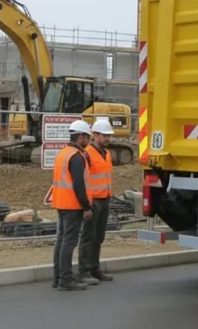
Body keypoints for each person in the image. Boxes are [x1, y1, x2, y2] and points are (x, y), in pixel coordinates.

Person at [52, 119, 93, 291]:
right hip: (72, 205)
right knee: (69, 243)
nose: (88, 141)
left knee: (61, 241)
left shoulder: (63, 153)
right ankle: (66, 280)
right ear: (81, 137)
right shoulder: (76, 157)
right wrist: (86, 207)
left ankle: (59, 277)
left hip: (61, 203)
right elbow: (78, 184)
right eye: (88, 137)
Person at [77, 119, 115, 285]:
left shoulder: (106, 154)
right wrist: (87, 202)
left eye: (108, 136)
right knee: (88, 236)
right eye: (104, 135)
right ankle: (83, 271)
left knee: (98, 237)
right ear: (96, 135)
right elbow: (83, 179)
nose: (107, 139)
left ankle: (94, 268)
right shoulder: (87, 153)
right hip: (93, 201)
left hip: (105, 199)